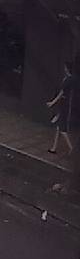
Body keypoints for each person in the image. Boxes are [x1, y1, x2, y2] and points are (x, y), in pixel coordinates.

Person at [49, 60, 79, 195]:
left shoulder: (70, 80)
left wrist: (52, 103)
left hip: (67, 109)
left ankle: (72, 149)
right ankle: (54, 147)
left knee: (62, 129)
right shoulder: (72, 80)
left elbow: (62, 92)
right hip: (68, 108)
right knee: (58, 127)